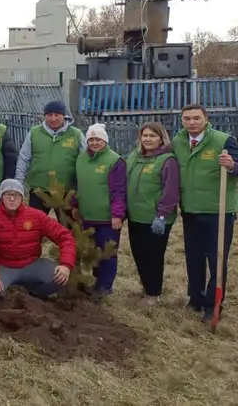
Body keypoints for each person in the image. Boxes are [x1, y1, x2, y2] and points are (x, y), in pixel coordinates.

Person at [172, 104, 238, 322]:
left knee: (217, 259)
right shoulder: (178, 142)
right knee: (193, 258)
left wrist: (232, 166)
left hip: (217, 212)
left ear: (206, 119)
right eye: (187, 118)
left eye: (196, 118)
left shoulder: (223, 140)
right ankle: (196, 298)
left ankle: (213, 304)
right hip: (190, 210)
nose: (192, 122)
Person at [0, 179, 76, 297]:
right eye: (8, 194)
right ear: (1, 197)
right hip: (5, 265)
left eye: (16, 195)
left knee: (61, 279)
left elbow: (65, 237)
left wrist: (66, 265)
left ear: (22, 197)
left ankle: (34, 296)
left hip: (31, 263)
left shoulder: (36, 216)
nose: (12, 199)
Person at [125, 122, 180, 305]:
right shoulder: (135, 156)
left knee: (153, 256)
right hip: (135, 215)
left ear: (161, 138)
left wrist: (162, 214)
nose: (148, 139)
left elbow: (171, 190)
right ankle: (146, 286)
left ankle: (154, 294)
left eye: (152, 136)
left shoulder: (167, 160)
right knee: (138, 253)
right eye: (145, 136)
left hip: (156, 218)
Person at [71, 123, 126, 295]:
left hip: (107, 218)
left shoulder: (114, 160)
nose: (94, 143)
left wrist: (117, 214)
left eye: (98, 139)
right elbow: (77, 183)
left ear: (105, 140)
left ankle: (105, 287)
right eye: (91, 139)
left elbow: (119, 190)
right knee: (94, 253)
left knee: (107, 252)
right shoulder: (81, 158)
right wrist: (75, 204)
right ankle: (95, 282)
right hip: (87, 216)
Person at [15, 100, 85, 213]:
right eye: (49, 115)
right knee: (36, 225)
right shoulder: (34, 133)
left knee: (68, 227)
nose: (53, 119)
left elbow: (85, 160)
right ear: (44, 116)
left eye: (57, 115)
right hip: (39, 190)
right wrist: (18, 183)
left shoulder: (76, 134)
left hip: (66, 192)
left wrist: (81, 187)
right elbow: (23, 158)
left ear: (64, 116)